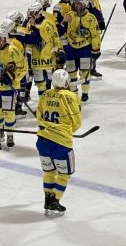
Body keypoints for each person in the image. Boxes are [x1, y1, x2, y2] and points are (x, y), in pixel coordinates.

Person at [36, 69, 82, 217]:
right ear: (66, 82)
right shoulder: (71, 96)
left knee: (49, 172)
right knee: (64, 175)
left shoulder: (45, 94)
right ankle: (55, 201)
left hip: (43, 140)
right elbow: (76, 121)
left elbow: (39, 117)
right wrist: (67, 131)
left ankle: (47, 202)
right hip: (61, 143)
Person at [0, 28, 27, 150]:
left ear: (4, 39)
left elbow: (23, 68)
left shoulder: (12, 50)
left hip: (8, 88)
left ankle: (10, 135)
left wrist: (12, 76)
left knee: (9, 114)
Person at [62, 0, 101, 102]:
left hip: (85, 48)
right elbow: (60, 30)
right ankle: (73, 92)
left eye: (79, 4)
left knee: (84, 72)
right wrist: (63, 22)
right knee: (71, 71)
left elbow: (95, 35)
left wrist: (96, 49)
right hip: (71, 47)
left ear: (84, 5)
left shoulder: (91, 18)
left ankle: (85, 93)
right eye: (75, 4)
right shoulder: (69, 15)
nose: (77, 6)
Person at [25, 2, 61, 97]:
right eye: (31, 13)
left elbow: (56, 38)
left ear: (40, 13)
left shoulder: (49, 23)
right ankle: (42, 103)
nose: (32, 16)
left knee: (49, 82)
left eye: (35, 13)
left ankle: (47, 102)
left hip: (49, 59)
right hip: (36, 61)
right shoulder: (29, 25)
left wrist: (60, 51)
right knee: (40, 85)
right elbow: (28, 43)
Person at [76, 0, 106, 79]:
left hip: (78, 26)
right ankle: (91, 70)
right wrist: (101, 22)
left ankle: (81, 70)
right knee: (93, 48)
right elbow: (97, 11)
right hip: (91, 26)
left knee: (81, 47)